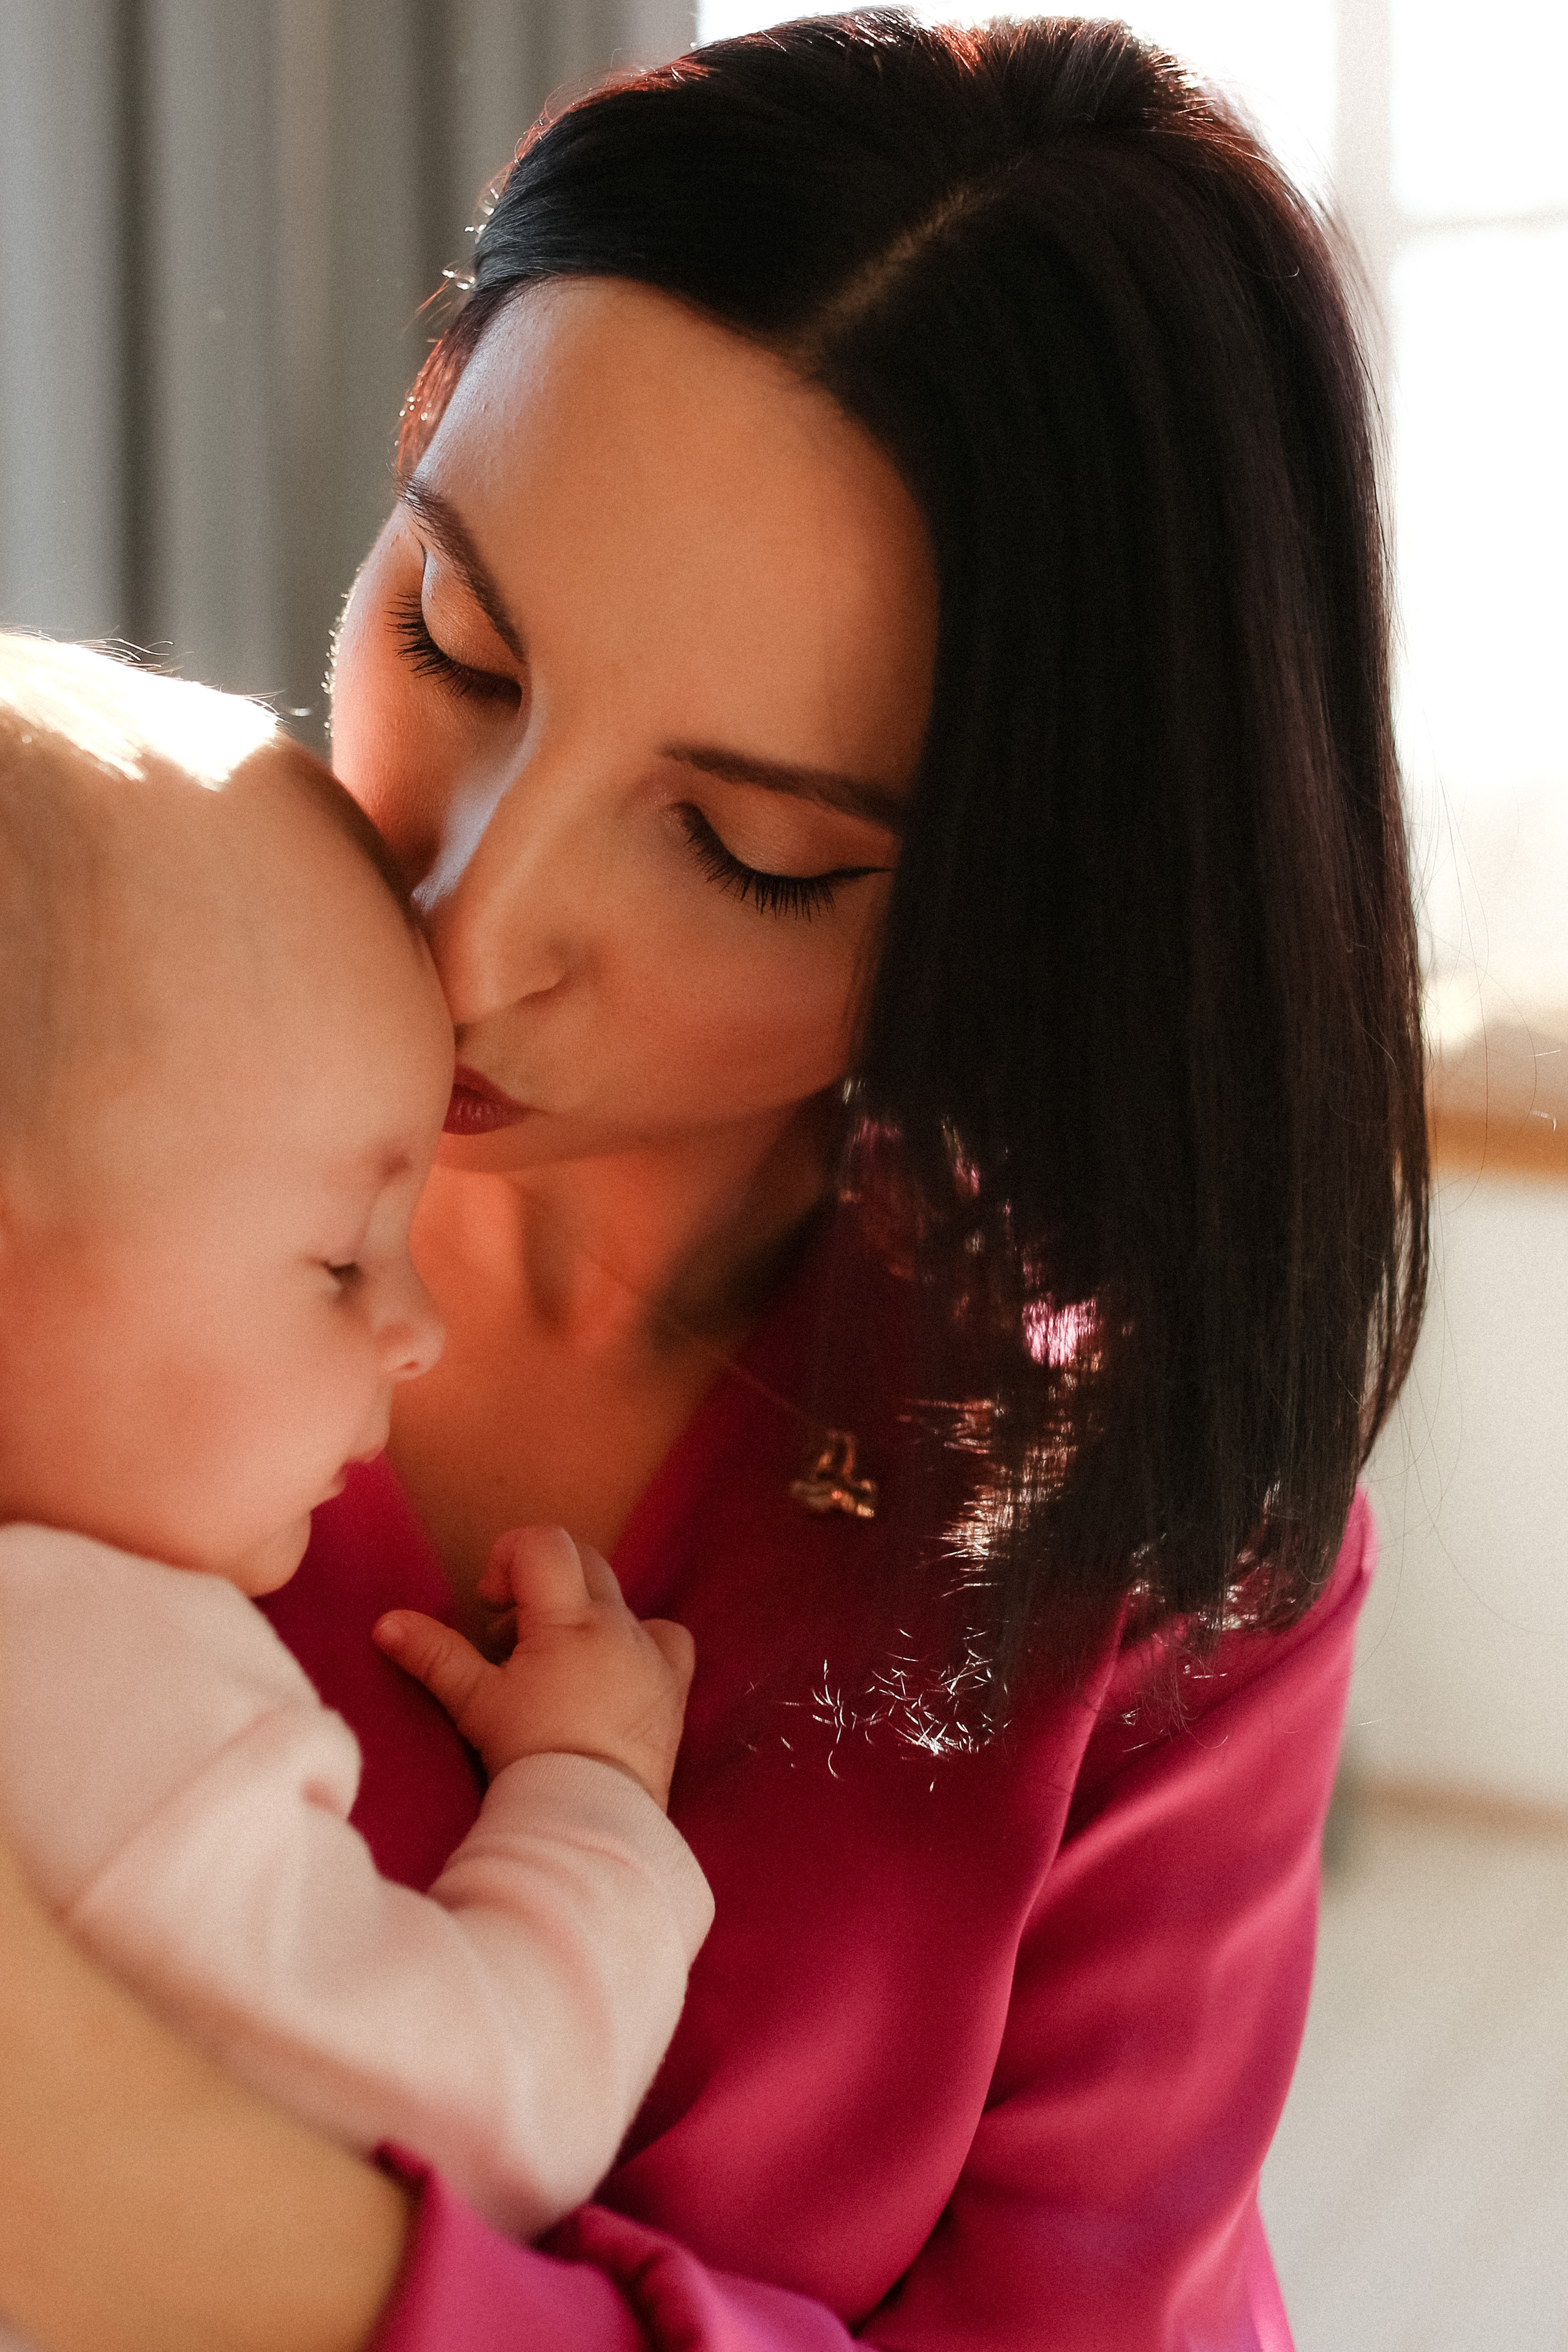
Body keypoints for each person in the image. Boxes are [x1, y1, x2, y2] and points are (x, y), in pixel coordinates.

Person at [0, 15, 1428, 2352]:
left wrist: (198, 2238)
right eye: (451, 637)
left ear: (1019, 889)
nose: (465, 927)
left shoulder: (1136, 1508)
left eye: (750, 854)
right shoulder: (34, 1097)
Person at [0, 637, 710, 2266]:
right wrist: (586, 1794)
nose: (416, 1326)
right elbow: (484, 2121)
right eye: (338, 1259)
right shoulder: (96, 1694)